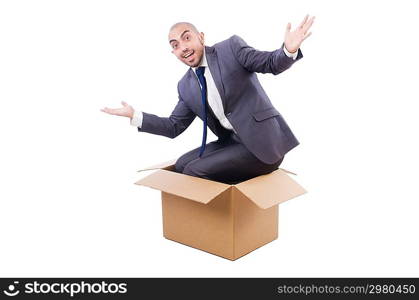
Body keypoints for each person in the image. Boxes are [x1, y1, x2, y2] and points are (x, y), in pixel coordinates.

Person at [101, 15, 315, 184]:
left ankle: (229, 205)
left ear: (201, 37)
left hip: (263, 144)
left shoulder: (230, 49)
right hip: (233, 142)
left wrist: (288, 50)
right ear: (173, 53)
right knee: (182, 165)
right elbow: (173, 127)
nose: (182, 47)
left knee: (194, 170)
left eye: (187, 38)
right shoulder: (185, 85)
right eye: (175, 45)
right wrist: (134, 116)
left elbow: (268, 63)